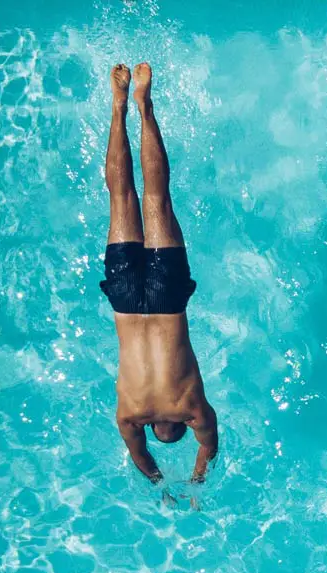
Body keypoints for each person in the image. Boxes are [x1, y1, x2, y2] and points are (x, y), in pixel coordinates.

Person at [100, 62, 218, 483]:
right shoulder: (130, 414)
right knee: (120, 198)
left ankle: (143, 105)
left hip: (168, 301)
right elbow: (139, 455)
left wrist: (196, 479)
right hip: (125, 302)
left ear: (180, 426)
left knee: (157, 196)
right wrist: (161, 483)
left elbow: (209, 443)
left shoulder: (191, 408)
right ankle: (118, 108)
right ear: (153, 428)